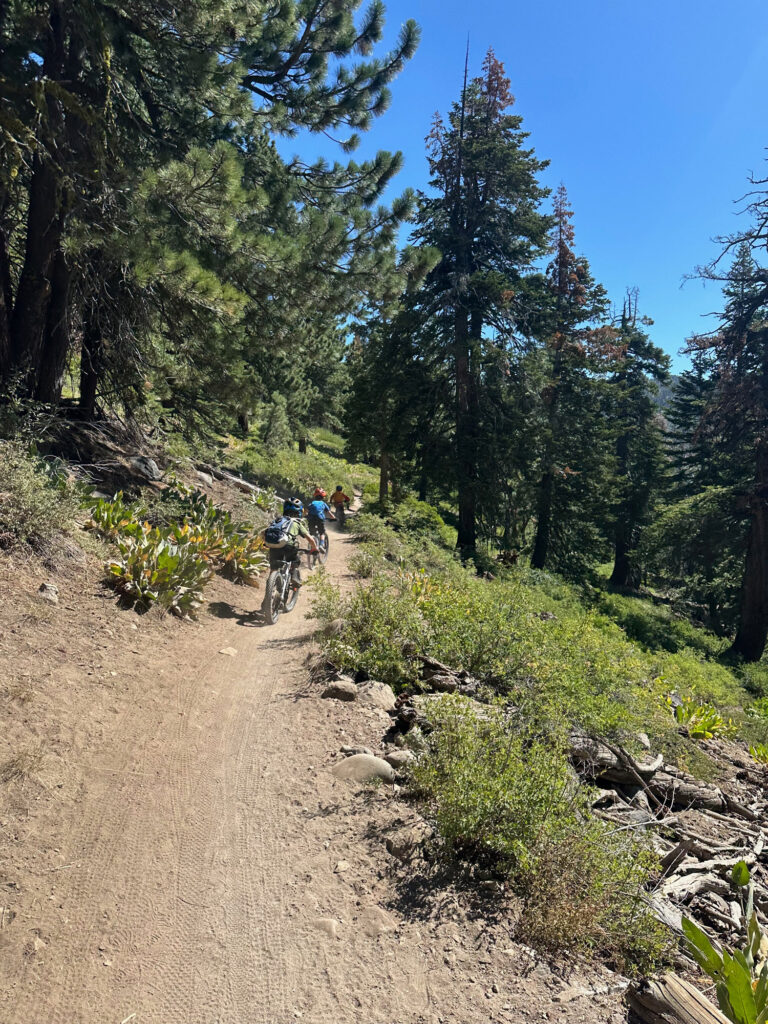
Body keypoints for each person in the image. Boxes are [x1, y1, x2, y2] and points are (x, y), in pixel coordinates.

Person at [269, 498, 317, 588]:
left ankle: (269, 588)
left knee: (274, 567)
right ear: (299, 511)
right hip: (289, 546)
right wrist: (314, 549)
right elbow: (310, 539)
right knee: (295, 559)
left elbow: (265, 532)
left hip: (274, 545)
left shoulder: (277, 520)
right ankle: (294, 575)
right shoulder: (297, 523)